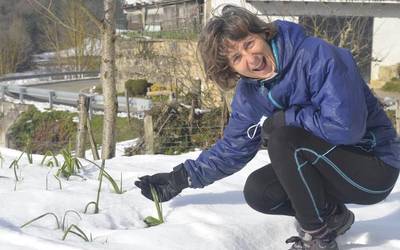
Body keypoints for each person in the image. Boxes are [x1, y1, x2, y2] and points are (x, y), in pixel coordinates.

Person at [135, 5, 400, 250]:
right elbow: (233, 148)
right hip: (330, 166)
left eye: (250, 44)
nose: (251, 59)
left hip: (373, 166)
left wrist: (288, 118)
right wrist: (181, 178)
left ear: (263, 33)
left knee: (283, 138)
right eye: (237, 57)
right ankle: (333, 217)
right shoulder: (251, 94)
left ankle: (318, 238)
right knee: (259, 191)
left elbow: (347, 128)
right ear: (230, 69)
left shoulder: (318, 56)